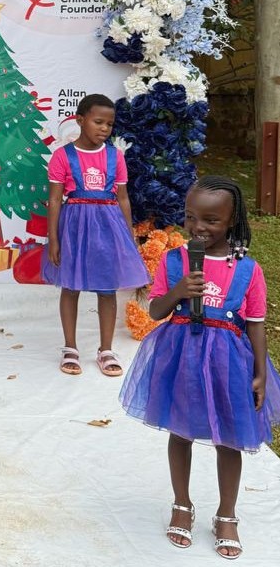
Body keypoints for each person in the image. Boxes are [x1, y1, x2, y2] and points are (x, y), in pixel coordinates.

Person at [120, 176, 280, 558]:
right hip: (183, 358)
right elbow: (156, 310)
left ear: (232, 221)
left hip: (228, 362)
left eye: (211, 220)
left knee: (229, 439)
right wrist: (178, 292)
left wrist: (259, 371)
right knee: (181, 432)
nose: (198, 227)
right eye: (191, 217)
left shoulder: (247, 270)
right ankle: (182, 503)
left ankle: (227, 513)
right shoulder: (175, 261)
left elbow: (255, 322)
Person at [41, 93, 150, 376]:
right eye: (98, 122)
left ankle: (106, 349)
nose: (104, 129)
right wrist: (54, 239)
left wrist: (128, 236)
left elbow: (123, 199)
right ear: (80, 120)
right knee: (70, 285)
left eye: (110, 124)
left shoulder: (115, 157)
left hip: (108, 226)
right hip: (74, 227)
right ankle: (70, 347)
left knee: (107, 287)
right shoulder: (62, 157)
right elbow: (54, 200)